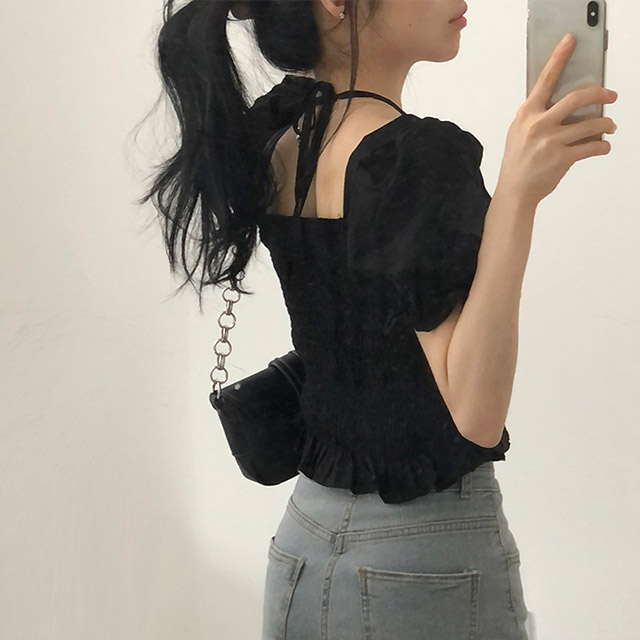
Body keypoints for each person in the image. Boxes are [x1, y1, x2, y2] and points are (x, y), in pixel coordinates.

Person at [138, 1, 618, 638]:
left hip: (302, 544)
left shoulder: (282, 137)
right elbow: (475, 417)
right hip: (421, 563)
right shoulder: (410, 156)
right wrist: (518, 196)